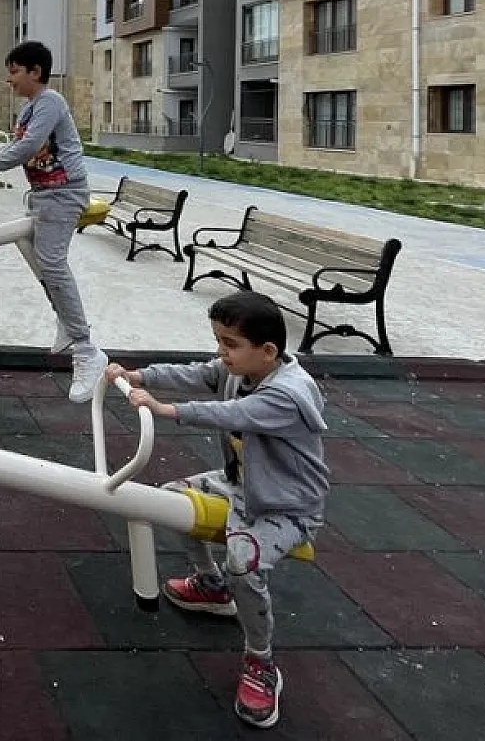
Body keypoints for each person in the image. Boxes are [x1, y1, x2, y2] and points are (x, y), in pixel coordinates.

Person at [105, 291, 328, 729]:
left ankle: (261, 663)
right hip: (244, 485)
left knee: (244, 563)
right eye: (218, 341)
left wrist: (162, 407)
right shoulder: (239, 367)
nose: (221, 353)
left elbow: (231, 413)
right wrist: (138, 373)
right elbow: (197, 373)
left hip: (287, 505)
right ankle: (212, 586)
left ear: (267, 351)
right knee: (172, 500)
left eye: (229, 344)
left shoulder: (288, 394)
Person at [0, 40, 108, 403]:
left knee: (53, 264)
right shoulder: (31, 108)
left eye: (14, 71)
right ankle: (67, 319)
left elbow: (30, 147)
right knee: (33, 252)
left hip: (63, 193)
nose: (8, 79)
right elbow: (26, 147)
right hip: (45, 195)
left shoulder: (51, 102)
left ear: (35, 72)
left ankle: (86, 349)